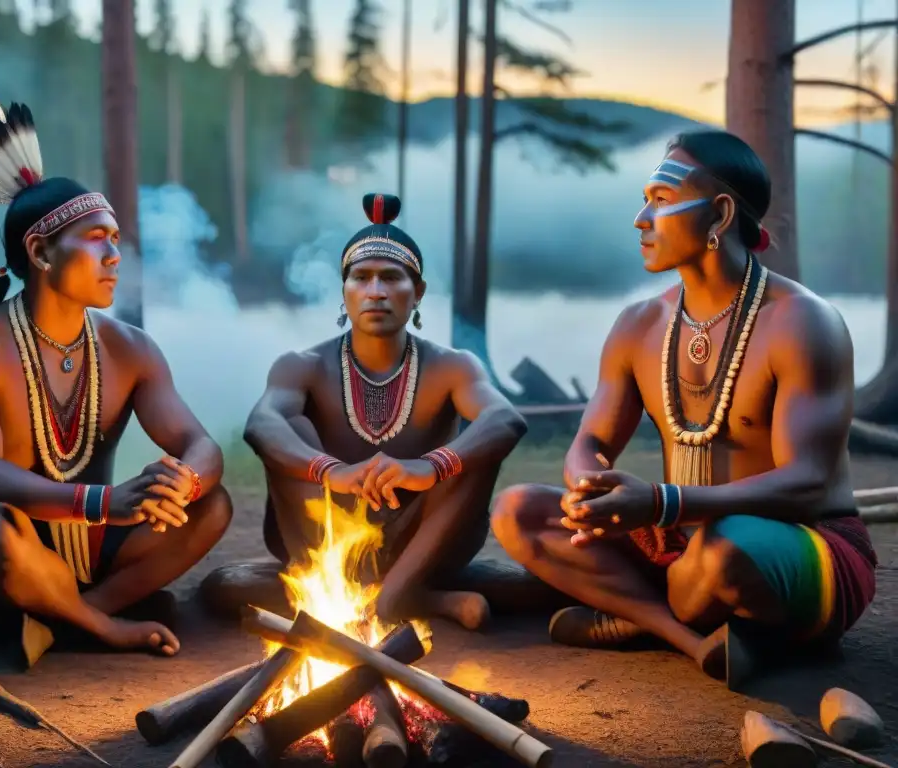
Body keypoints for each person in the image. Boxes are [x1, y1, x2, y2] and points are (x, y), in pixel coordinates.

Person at [490, 130, 877, 688]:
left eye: (663, 200)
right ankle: (686, 636)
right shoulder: (638, 326)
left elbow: (809, 483)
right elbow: (589, 442)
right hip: (678, 541)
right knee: (518, 511)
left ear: (719, 215)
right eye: (645, 199)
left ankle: (643, 614)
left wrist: (664, 502)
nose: (641, 219)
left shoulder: (802, 322)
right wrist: (586, 487)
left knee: (723, 552)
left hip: (795, 544)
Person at [0, 76, 233, 665]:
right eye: (96, 240)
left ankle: (76, 615)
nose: (115, 255)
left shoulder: (130, 348)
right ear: (39, 252)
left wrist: (178, 483)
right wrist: (104, 503)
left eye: (116, 239)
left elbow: (200, 445)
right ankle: (102, 625)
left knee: (211, 505)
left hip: (82, 549)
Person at [243, 193, 527, 630]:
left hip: (424, 542)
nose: (375, 291)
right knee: (288, 426)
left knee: (476, 451)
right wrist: (331, 471)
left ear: (418, 293)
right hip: (325, 539)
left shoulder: (453, 367)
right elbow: (261, 424)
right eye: (361, 277)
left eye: (391, 278)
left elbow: (505, 418)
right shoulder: (302, 365)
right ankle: (419, 601)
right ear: (344, 292)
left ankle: (389, 600)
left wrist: (428, 466)